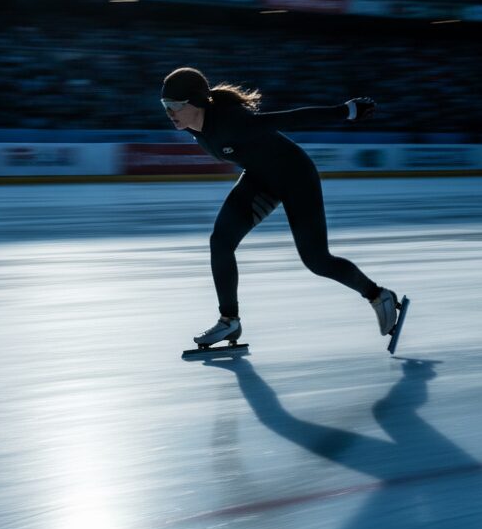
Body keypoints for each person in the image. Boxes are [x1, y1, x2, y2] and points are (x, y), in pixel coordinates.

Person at [160, 66, 399, 348]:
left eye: (175, 105)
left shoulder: (231, 120)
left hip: (296, 176)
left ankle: (377, 295)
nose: (170, 112)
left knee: (317, 260)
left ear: (197, 101)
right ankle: (229, 322)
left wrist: (344, 111)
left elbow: (289, 118)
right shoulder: (194, 127)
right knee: (221, 242)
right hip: (260, 179)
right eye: (166, 106)